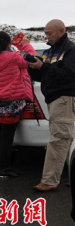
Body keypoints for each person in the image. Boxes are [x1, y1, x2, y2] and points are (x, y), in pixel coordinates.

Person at [28, 19, 75, 192]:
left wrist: (44, 67)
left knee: (59, 139)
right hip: (55, 99)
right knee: (66, 139)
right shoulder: (50, 51)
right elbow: (44, 76)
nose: (46, 36)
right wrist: (34, 67)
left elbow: (69, 76)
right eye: (45, 33)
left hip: (64, 98)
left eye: (49, 33)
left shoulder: (71, 50)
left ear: (61, 31)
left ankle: (49, 181)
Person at [0, 31, 33, 178]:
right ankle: (5, 168)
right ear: (8, 43)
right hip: (11, 102)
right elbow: (30, 60)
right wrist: (26, 44)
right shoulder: (14, 57)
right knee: (7, 137)